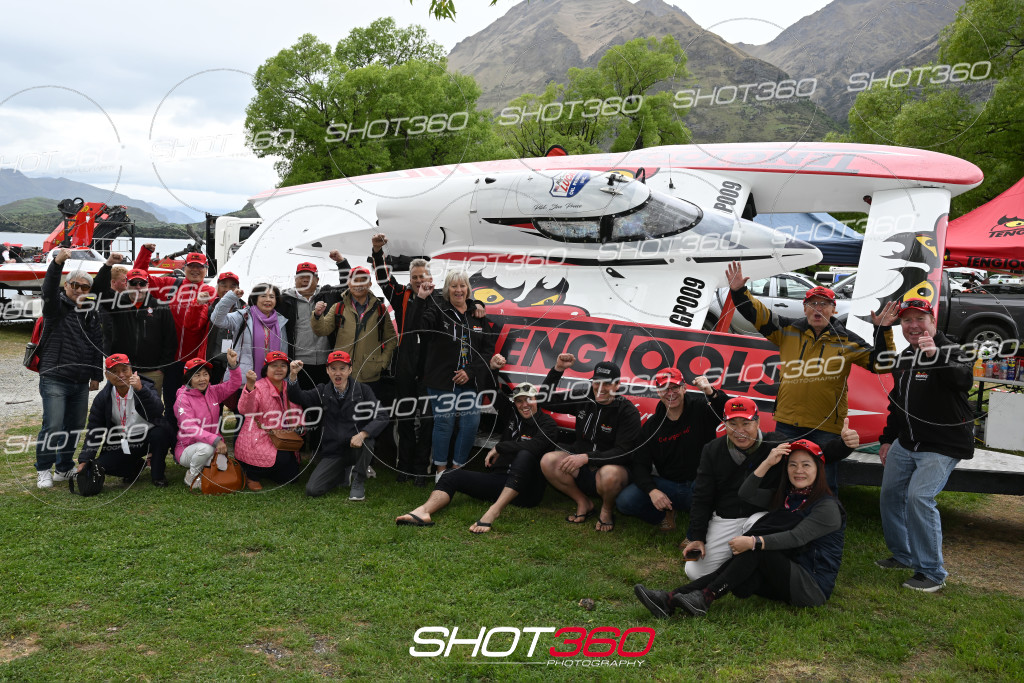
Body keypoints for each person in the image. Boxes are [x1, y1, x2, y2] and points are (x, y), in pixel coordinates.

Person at [725, 261, 898, 490]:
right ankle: (785, 510)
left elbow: (882, 364)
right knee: (784, 477)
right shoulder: (786, 330)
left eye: (824, 304)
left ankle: (826, 513)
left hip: (826, 427)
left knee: (824, 482)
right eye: (812, 303)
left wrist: (883, 329)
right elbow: (757, 314)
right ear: (804, 308)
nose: (818, 308)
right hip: (787, 422)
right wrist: (739, 292)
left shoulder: (847, 340)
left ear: (834, 309)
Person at [634, 438, 848, 618]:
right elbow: (746, 493)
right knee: (734, 571)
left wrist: (754, 542)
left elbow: (797, 537)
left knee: (757, 550)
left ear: (819, 469)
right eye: (792, 465)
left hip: (811, 588)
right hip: (785, 575)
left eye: (806, 465)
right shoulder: (788, 496)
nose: (798, 470)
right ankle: (669, 599)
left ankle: (706, 598)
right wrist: (767, 463)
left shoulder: (827, 506)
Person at [682, 397, 859, 580]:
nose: (739, 431)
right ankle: (739, 560)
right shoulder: (712, 450)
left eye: (746, 423)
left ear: (757, 422)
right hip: (726, 518)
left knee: (758, 531)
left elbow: (815, 453)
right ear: (724, 424)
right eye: (732, 424)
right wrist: (697, 536)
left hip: (764, 517)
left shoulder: (776, 443)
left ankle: (750, 563)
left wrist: (844, 445)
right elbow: (701, 497)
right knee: (694, 572)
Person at [395, 355, 561, 532]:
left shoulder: (548, 424)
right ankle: (423, 512)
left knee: (525, 455)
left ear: (537, 400)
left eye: (529, 399)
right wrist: (493, 369)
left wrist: (500, 447)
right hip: (500, 480)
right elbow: (491, 391)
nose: (524, 405)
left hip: (526, 491)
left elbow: (535, 447)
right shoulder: (512, 413)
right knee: (450, 475)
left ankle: (493, 512)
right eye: (519, 401)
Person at [370, 233, 486, 484]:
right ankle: (405, 466)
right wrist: (377, 252)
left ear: (430, 278)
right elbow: (382, 278)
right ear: (409, 279)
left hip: (430, 366)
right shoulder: (400, 294)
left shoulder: (438, 298)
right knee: (405, 417)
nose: (419, 280)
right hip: (405, 361)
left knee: (428, 421)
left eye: (423, 276)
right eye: (415, 277)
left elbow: (461, 298)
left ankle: (422, 468)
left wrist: (477, 302)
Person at [876, 299, 974, 592]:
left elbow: (964, 379)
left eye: (920, 318)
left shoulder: (952, 350)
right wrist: (887, 439)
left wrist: (935, 355)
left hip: (941, 444)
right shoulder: (906, 356)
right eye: (907, 320)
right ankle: (903, 555)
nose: (914, 325)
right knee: (890, 496)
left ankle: (932, 572)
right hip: (906, 443)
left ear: (933, 321)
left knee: (919, 497)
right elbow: (897, 403)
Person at [539, 354, 642, 533]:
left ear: (617, 385)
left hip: (611, 470)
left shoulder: (628, 411)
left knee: (610, 474)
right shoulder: (583, 397)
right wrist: (558, 370)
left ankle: (606, 510)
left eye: (607, 384)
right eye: (596, 382)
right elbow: (545, 400)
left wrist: (587, 458)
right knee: (548, 461)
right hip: (581, 466)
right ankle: (583, 502)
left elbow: (624, 452)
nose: (600, 388)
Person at [616, 368, 728, 532]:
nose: (670, 393)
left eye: (675, 387)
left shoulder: (701, 409)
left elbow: (727, 409)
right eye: (664, 388)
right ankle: (665, 513)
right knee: (625, 501)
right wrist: (653, 491)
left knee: (718, 498)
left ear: (684, 388)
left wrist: (710, 391)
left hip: (701, 484)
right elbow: (639, 464)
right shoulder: (651, 426)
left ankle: (697, 531)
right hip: (668, 486)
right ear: (658, 392)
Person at [408, 270, 494, 479]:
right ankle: (440, 470)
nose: (458, 290)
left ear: (468, 289)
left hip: (470, 381)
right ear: (447, 290)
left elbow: (487, 350)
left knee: (470, 424)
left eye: (462, 286)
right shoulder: (438, 311)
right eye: (454, 286)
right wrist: (421, 299)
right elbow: (418, 328)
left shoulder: (477, 315)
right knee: (444, 424)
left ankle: (457, 469)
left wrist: (470, 371)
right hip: (442, 381)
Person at [35, 249, 104, 488]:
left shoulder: (91, 313)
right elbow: (48, 289)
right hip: (55, 376)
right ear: (66, 285)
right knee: (53, 426)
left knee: (74, 427)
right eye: (75, 285)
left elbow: (97, 344)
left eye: (85, 287)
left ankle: (63, 468)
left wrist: (96, 375)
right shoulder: (55, 306)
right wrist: (56, 263)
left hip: (81, 380)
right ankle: (43, 469)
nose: (79, 290)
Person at [286, 351, 389, 499]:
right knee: (312, 490)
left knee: (368, 441)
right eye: (333, 368)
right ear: (327, 370)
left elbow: (382, 416)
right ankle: (342, 474)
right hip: (333, 452)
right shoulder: (322, 390)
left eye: (342, 368)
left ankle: (358, 480)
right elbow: (298, 397)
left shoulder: (363, 390)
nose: (338, 373)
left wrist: (363, 434)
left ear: (350, 370)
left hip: (356, 448)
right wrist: (293, 375)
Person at [133, 245, 216, 418]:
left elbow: (196, 325)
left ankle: (192, 433)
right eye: (191, 266)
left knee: (195, 406)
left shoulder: (209, 292)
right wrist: (145, 253)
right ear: (184, 268)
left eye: (199, 267)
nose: (195, 270)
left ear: (206, 269)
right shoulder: (171, 285)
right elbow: (140, 277)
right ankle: (171, 433)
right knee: (171, 404)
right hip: (170, 359)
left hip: (195, 361)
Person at [75, 354, 172, 487]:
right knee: (102, 465)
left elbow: (157, 410)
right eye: (114, 371)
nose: (121, 375)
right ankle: (135, 467)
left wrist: (141, 390)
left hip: (149, 436)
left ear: (131, 370)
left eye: (124, 370)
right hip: (124, 440)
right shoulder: (102, 398)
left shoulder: (145, 386)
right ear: (107, 375)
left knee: (161, 433)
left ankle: (158, 475)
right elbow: (94, 430)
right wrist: (84, 460)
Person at [278, 256, 352, 389]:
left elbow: (347, 285)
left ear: (317, 280)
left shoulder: (328, 295)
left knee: (325, 398)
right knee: (301, 398)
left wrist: (341, 262)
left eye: (310, 277)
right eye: (301, 276)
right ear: (295, 279)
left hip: (326, 361)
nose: (305, 280)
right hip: (298, 363)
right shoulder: (284, 301)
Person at [173, 349, 242, 489]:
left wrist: (233, 365)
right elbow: (190, 428)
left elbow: (234, 384)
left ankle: (204, 470)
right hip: (188, 448)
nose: (202, 379)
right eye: (197, 375)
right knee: (206, 449)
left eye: (205, 374)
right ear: (188, 378)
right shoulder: (182, 399)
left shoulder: (214, 391)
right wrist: (216, 440)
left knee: (222, 467)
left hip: (213, 445)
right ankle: (192, 476)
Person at [234, 351, 303, 491]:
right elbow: (245, 410)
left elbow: (298, 410)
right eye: (274, 365)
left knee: (292, 477)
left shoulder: (289, 386)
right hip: (258, 436)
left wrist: (299, 425)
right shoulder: (258, 386)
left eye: (283, 365)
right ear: (266, 369)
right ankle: (252, 475)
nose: (279, 369)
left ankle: (268, 472)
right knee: (281, 458)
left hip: (283, 437)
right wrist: (250, 387)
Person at [210, 283, 289, 378]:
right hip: (244, 378)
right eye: (263, 296)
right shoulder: (243, 316)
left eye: (272, 297)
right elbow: (217, 319)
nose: (268, 299)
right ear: (255, 299)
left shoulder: (280, 321)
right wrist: (230, 298)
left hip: (273, 379)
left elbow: (283, 353)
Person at [205, 271, 242, 385]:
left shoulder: (244, 310)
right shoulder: (208, 308)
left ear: (238, 288)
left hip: (235, 363)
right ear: (217, 287)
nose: (228, 289)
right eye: (224, 285)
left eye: (232, 286)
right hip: (213, 362)